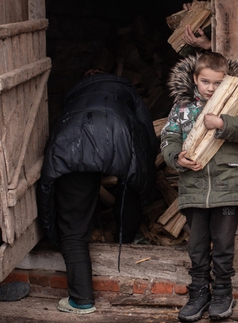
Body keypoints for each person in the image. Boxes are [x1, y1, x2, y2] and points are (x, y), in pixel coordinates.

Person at [37, 70, 158, 314]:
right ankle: (125, 236)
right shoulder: (126, 91)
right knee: (130, 182)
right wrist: (146, 171)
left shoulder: (75, 95)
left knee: (72, 229)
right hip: (118, 139)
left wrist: (51, 232)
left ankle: (81, 300)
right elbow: (148, 136)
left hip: (70, 147)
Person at [161, 52, 238, 321]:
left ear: (225, 81)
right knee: (197, 245)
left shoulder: (236, 104)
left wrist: (222, 123)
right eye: (205, 82)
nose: (211, 88)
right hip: (194, 189)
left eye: (217, 83)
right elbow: (168, 138)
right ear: (195, 79)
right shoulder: (181, 108)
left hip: (228, 187)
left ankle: (222, 293)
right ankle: (199, 292)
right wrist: (177, 158)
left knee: (225, 243)